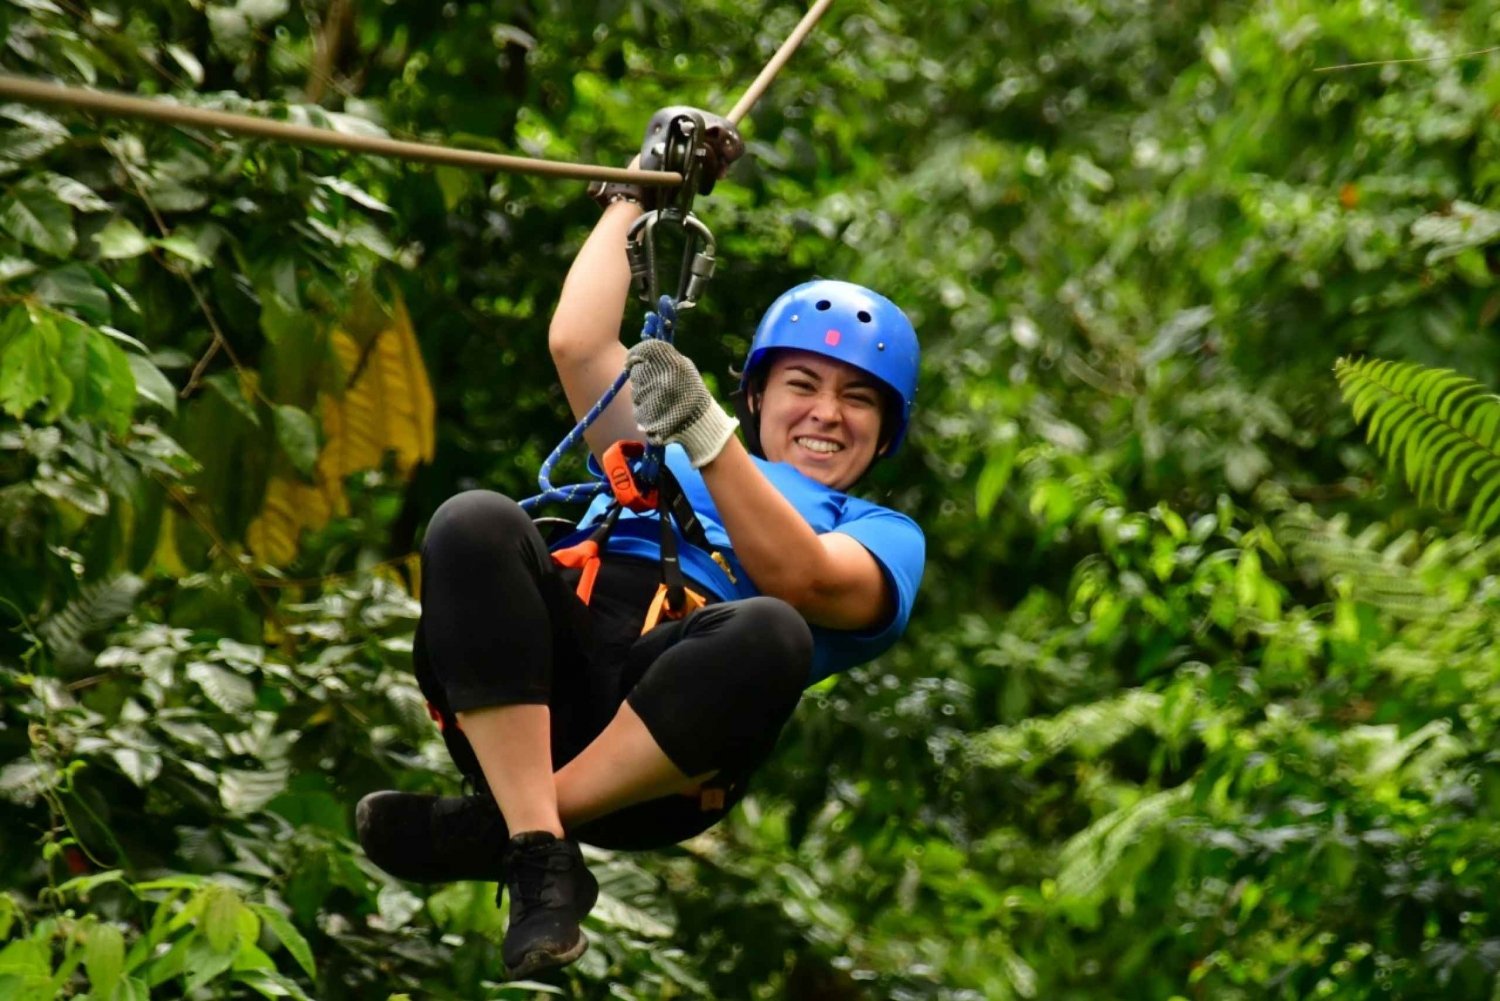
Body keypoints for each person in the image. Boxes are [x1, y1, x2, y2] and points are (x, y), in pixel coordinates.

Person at [356, 110, 925, 980]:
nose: (825, 413)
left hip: (664, 751)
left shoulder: (881, 534)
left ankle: (517, 829)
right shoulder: (672, 447)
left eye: (858, 400)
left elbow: (802, 580)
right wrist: (638, 187)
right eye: (803, 384)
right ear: (763, 394)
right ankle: (533, 838)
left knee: (770, 626)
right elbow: (578, 343)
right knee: (473, 519)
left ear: (883, 432)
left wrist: (704, 433)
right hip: (538, 690)